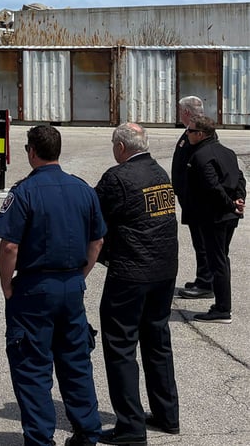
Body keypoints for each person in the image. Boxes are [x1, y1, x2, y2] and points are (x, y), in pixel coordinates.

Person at [0, 125, 106, 446]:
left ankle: (41, 439)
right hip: (71, 286)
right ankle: (86, 432)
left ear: (31, 152)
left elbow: (9, 247)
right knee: (76, 362)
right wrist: (79, 276)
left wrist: (6, 286)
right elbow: (97, 241)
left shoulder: (24, 192)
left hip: (33, 289)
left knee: (32, 368)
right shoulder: (83, 189)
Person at [93, 123, 181, 444]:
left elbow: (93, 214)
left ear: (120, 147)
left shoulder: (117, 178)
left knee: (120, 347)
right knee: (157, 341)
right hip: (163, 270)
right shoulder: (159, 172)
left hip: (130, 274)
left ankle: (130, 426)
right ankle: (167, 414)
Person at [180, 116, 245, 323]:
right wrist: (239, 199)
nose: (187, 134)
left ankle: (222, 309)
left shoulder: (200, 156)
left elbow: (212, 186)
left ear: (201, 134)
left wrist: (230, 203)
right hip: (229, 216)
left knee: (218, 262)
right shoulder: (228, 152)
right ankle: (221, 306)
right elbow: (240, 177)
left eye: (190, 131)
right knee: (220, 259)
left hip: (214, 217)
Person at [172, 96, 212, 299]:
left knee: (203, 241)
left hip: (197, 201)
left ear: (186, 112)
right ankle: (202, 277)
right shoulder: (191, 130)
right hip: (189, 198)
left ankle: (206, 283)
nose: (179, 115)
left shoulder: (199, 133)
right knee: (199, 241)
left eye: (180, 111)